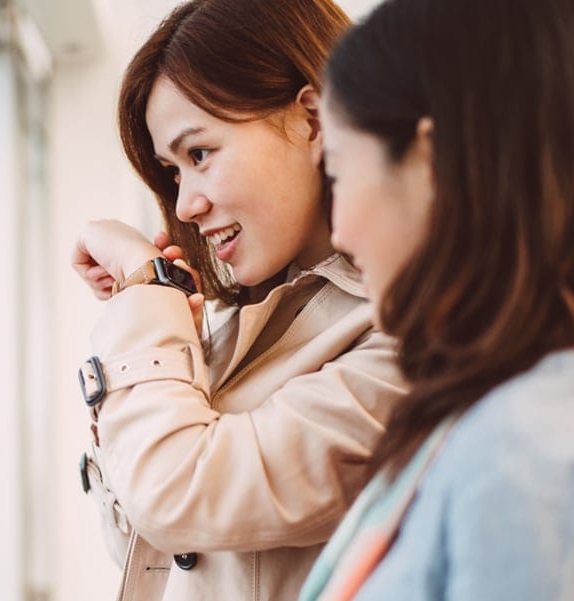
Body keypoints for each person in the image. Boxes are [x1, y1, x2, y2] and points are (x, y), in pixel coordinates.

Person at [301, 0, 574, 598]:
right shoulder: (548, 416)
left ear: (431, 162)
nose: (339, 230)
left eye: (338, 170)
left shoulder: (532, 457)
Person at [69, 1, 407, 599]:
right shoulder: (233, 324)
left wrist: (148, 289)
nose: (184, 206)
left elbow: (177, 494)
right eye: (174, 172)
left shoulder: (408, 338)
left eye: (199, 154)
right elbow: (155, 558)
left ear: (312, 120)